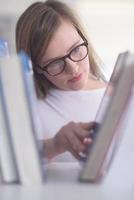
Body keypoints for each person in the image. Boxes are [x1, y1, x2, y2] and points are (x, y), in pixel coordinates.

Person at [16, 0, 107, 162]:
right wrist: (54, 145)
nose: (73, 69)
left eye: (76, 49)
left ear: (83, 38)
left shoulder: (118, 94)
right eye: (55, 63)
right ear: (36, 68)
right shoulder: (27, 107)